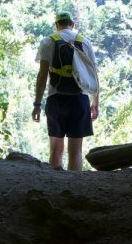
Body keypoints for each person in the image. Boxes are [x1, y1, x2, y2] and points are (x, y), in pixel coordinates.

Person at [32, 11, 99, 171]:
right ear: (72, 24)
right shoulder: (85, 42)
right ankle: (74, 188)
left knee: (56, 148)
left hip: (56, 99)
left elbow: (42, 75)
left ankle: (54, 187)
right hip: (80, 99)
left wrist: (37, 104)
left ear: (57, 25)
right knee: (75, 151)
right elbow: (94, 74)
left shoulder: (48, 41)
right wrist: (95, 102)